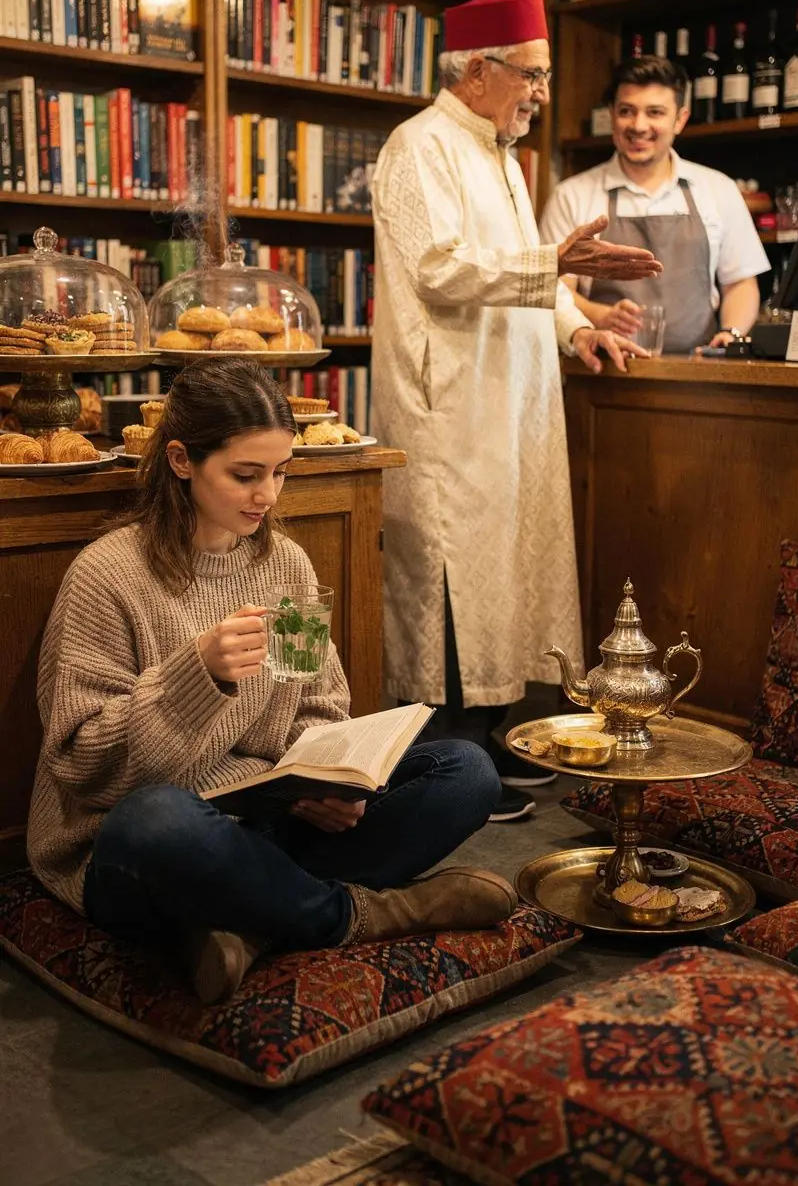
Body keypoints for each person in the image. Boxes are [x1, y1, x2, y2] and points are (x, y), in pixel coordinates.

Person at [27, 359, 516, 1005]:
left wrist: (321, 783)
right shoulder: (109, 577)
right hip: (137, 842)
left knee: (466, 771)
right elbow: (85, 770)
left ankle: (244, 923)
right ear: (181, 460)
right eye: (245, 475)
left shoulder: (283, 565)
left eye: (280, 472)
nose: (268, 495)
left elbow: (314, 704)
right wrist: (192, 674)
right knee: (157, 823)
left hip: (267, 818)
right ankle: (361, 915)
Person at [371, 0, 658, 823]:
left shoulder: (499, 155)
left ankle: (490, 734)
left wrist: (575, 330)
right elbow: (442, 268)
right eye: (530, 75)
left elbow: (527, 273)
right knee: (454, 573)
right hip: (452, 405)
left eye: (543, 76)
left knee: (504, 568)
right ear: (476, 71)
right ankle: (441, 757)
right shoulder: (418, 145)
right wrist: (553, 270)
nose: (539, 91)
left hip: (512, 399)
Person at [540, 55, 770, 352]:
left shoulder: (718, 189)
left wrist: (731, 332)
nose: (639, 125)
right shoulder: (571, 195)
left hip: (703, 375)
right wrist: (601, 316)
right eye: (626, 111)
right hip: (603, 372)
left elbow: (740, 283)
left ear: (680, 119)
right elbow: (554, 288)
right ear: (611, 114)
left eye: (655, 112)